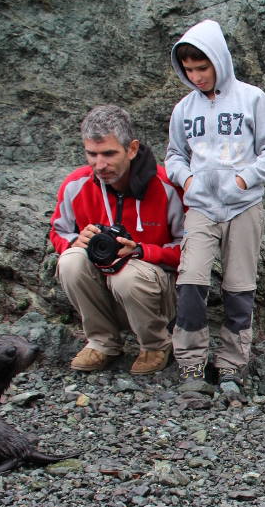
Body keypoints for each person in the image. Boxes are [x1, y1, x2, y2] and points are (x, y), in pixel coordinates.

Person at [165, 20, 265, 384]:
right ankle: (190, 363)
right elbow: (174, 155)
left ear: (220, 60)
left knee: (239, 287)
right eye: (188, 70)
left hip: (244, 206)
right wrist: (187, 180)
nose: (196, 76)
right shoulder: (184, 109)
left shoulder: (252, 98)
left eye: (202, 67)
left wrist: (241, 180)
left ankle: (232, 364)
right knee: (191, 283)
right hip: (201, 208)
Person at [50, 105, 185, 374]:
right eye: (92, 154)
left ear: (132, 149)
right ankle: (102, 343)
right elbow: (58, 232)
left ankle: (155, 344)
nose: (99, 165)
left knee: (128, 274)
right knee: (71, 261)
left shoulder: (167, 186)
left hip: (155, 293)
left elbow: (191, 247)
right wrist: (74, 242)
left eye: (109, 153)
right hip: (103, 291)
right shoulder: (75, 185)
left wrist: (140, 251)